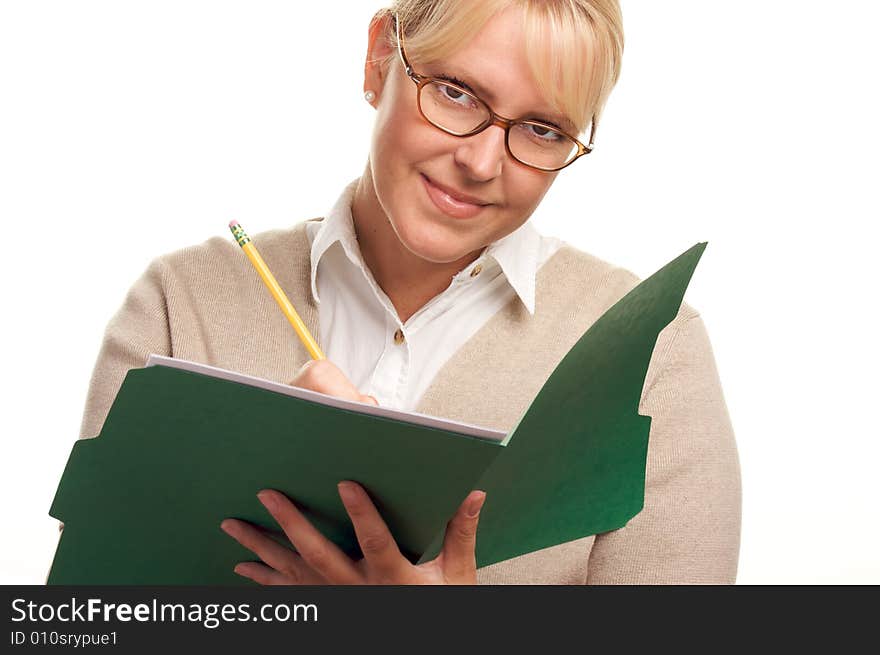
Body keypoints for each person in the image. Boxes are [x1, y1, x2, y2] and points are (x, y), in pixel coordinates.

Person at [75, 0, 741, 584]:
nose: (480, 164)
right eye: (456, 92)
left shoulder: (653, 355)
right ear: (377, 60)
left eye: (542, 130)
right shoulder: (180, 304)